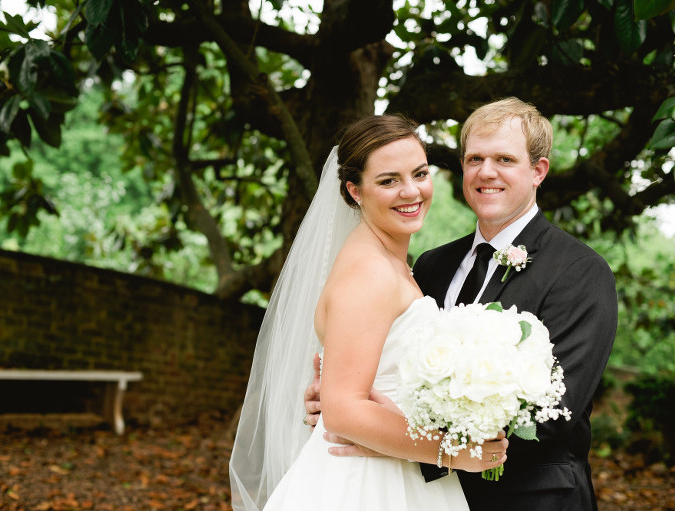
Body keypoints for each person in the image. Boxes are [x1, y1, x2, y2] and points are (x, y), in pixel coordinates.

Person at [304, 97, 618, 510]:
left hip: (529, 500)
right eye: (475, 159)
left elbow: (553, 416)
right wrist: (342, 403)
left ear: (538, 171)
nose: (486, 172)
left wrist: (409, 444)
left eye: (504, 159)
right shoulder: (431, 264)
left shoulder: (580, 271)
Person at [229, 114, 508, 511]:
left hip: (395, 466)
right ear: (354, 191)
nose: (411, 191)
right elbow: (343, 410)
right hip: (367, 483)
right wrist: (451, 451)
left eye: (419, 173)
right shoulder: (370, 273)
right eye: (388, 181)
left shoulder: (392, 262)